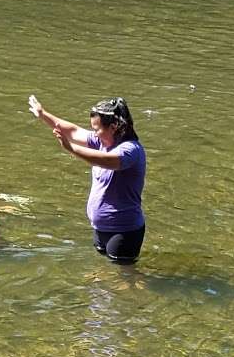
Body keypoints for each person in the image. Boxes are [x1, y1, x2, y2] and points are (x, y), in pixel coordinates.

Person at [27, 95, 147, 263]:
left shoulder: (131, 150)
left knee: (124, 278)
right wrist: (43, 114)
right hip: (101, 228)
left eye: (97, 129)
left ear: (113, 127)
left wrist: (71, 149)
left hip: (124, 231)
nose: (94, 134)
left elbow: (106, 161)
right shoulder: (102, 141)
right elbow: (73, 131)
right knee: (108, 274)